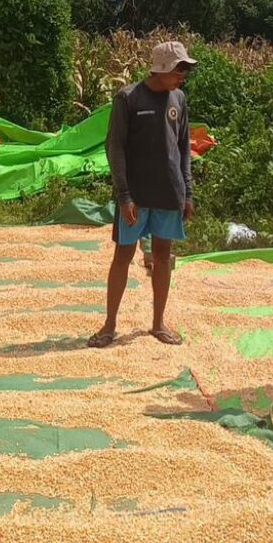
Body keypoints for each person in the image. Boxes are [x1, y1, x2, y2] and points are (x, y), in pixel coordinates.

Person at [87, 40, 197, 348]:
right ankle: (109, 326)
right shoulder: (129, 98)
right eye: (178, 71)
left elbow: (183, 148)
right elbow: (115, 148)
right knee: (123, 256)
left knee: (162, 256)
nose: (182, 77)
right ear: (160, 69)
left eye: (184, 71)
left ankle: (158, 323)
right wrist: (124, 195)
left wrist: (187, 192)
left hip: (168, 193)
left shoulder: (179, 99)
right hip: (135, 196)